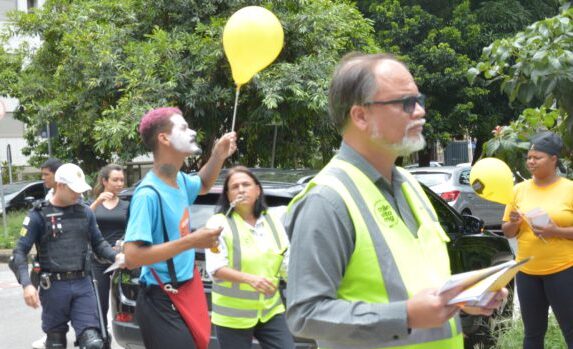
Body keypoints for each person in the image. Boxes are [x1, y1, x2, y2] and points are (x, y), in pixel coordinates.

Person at [284, 52, 507, 349]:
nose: (419, 112)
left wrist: (463, 299)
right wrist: (404, 316)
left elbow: (417, 285)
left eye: (419, 101)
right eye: (405, 103)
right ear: (360, 116)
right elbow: (305, 315)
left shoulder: (411, 187)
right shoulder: (327, 200)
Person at [123, 107, 236, 349]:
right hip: (161, 300)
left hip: (186, 289)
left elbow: (204, 184)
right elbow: (132, 257)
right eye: (183, 128)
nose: (192, 132)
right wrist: (193, 241)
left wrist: (218, 155)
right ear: (164, 138)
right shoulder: (147, 195)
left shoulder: (179, 180)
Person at [9, 163, 123, 349]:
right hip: (53, 286)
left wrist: (116, 257)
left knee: (93, 342)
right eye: (74, 190)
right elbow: (19, 253)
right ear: (60, 185)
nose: (78, 195)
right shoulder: (38, 215)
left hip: (83, 284)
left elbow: (99, 244)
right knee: (55, 343)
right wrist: (27, 285)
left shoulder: (85, 213)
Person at [205, 166, 294, 349]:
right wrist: (251, 279)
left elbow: (286, 262)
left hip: (269, 310)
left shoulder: (272, 220)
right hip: (233, 316)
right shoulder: (218, 224)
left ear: (257, 190)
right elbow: (215, 269)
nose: (241, 190)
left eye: (246, 184)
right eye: (235, 187)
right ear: (228, 195)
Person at [502, 131, 573, 348]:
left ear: (553, 159)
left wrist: (556, 231)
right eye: (529, 158)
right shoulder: (518, 190)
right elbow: (507, 231)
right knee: (532, 335)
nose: (531, 162)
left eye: (537, 157)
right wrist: (513, 222)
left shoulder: (569, 189)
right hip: (527, 272)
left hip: (564, 270)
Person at [89, 164, 129, 331]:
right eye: (115, 180)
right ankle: (102, 336)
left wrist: (122, 242)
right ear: (104, 181)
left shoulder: (127, 204)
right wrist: (98, 201)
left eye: (122, 180)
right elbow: (83, 221)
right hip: (98, 260)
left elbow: (132, 229)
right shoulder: (93, 203)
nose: (120, 183)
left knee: (125, 303)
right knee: (100, 303)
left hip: (121, 259)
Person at [32, 158, 62, 349]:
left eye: (46, 174)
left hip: (68, 259)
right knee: (49, 298)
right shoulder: (46, 199)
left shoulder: (75, 197)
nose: (43, 178)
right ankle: (51, 334)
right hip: (47, 256)